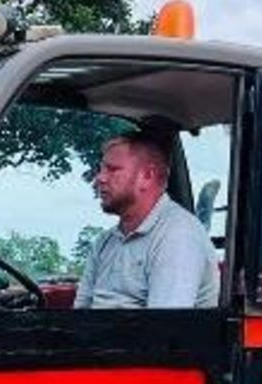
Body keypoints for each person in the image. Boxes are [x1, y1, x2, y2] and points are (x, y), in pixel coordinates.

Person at [74, 131, 220, 309]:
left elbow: (164, 330)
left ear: (147, 176)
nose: (100, 179)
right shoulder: (105, 242)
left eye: (112, 169)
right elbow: (80, 313)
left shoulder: (178, 236)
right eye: (101, 169)